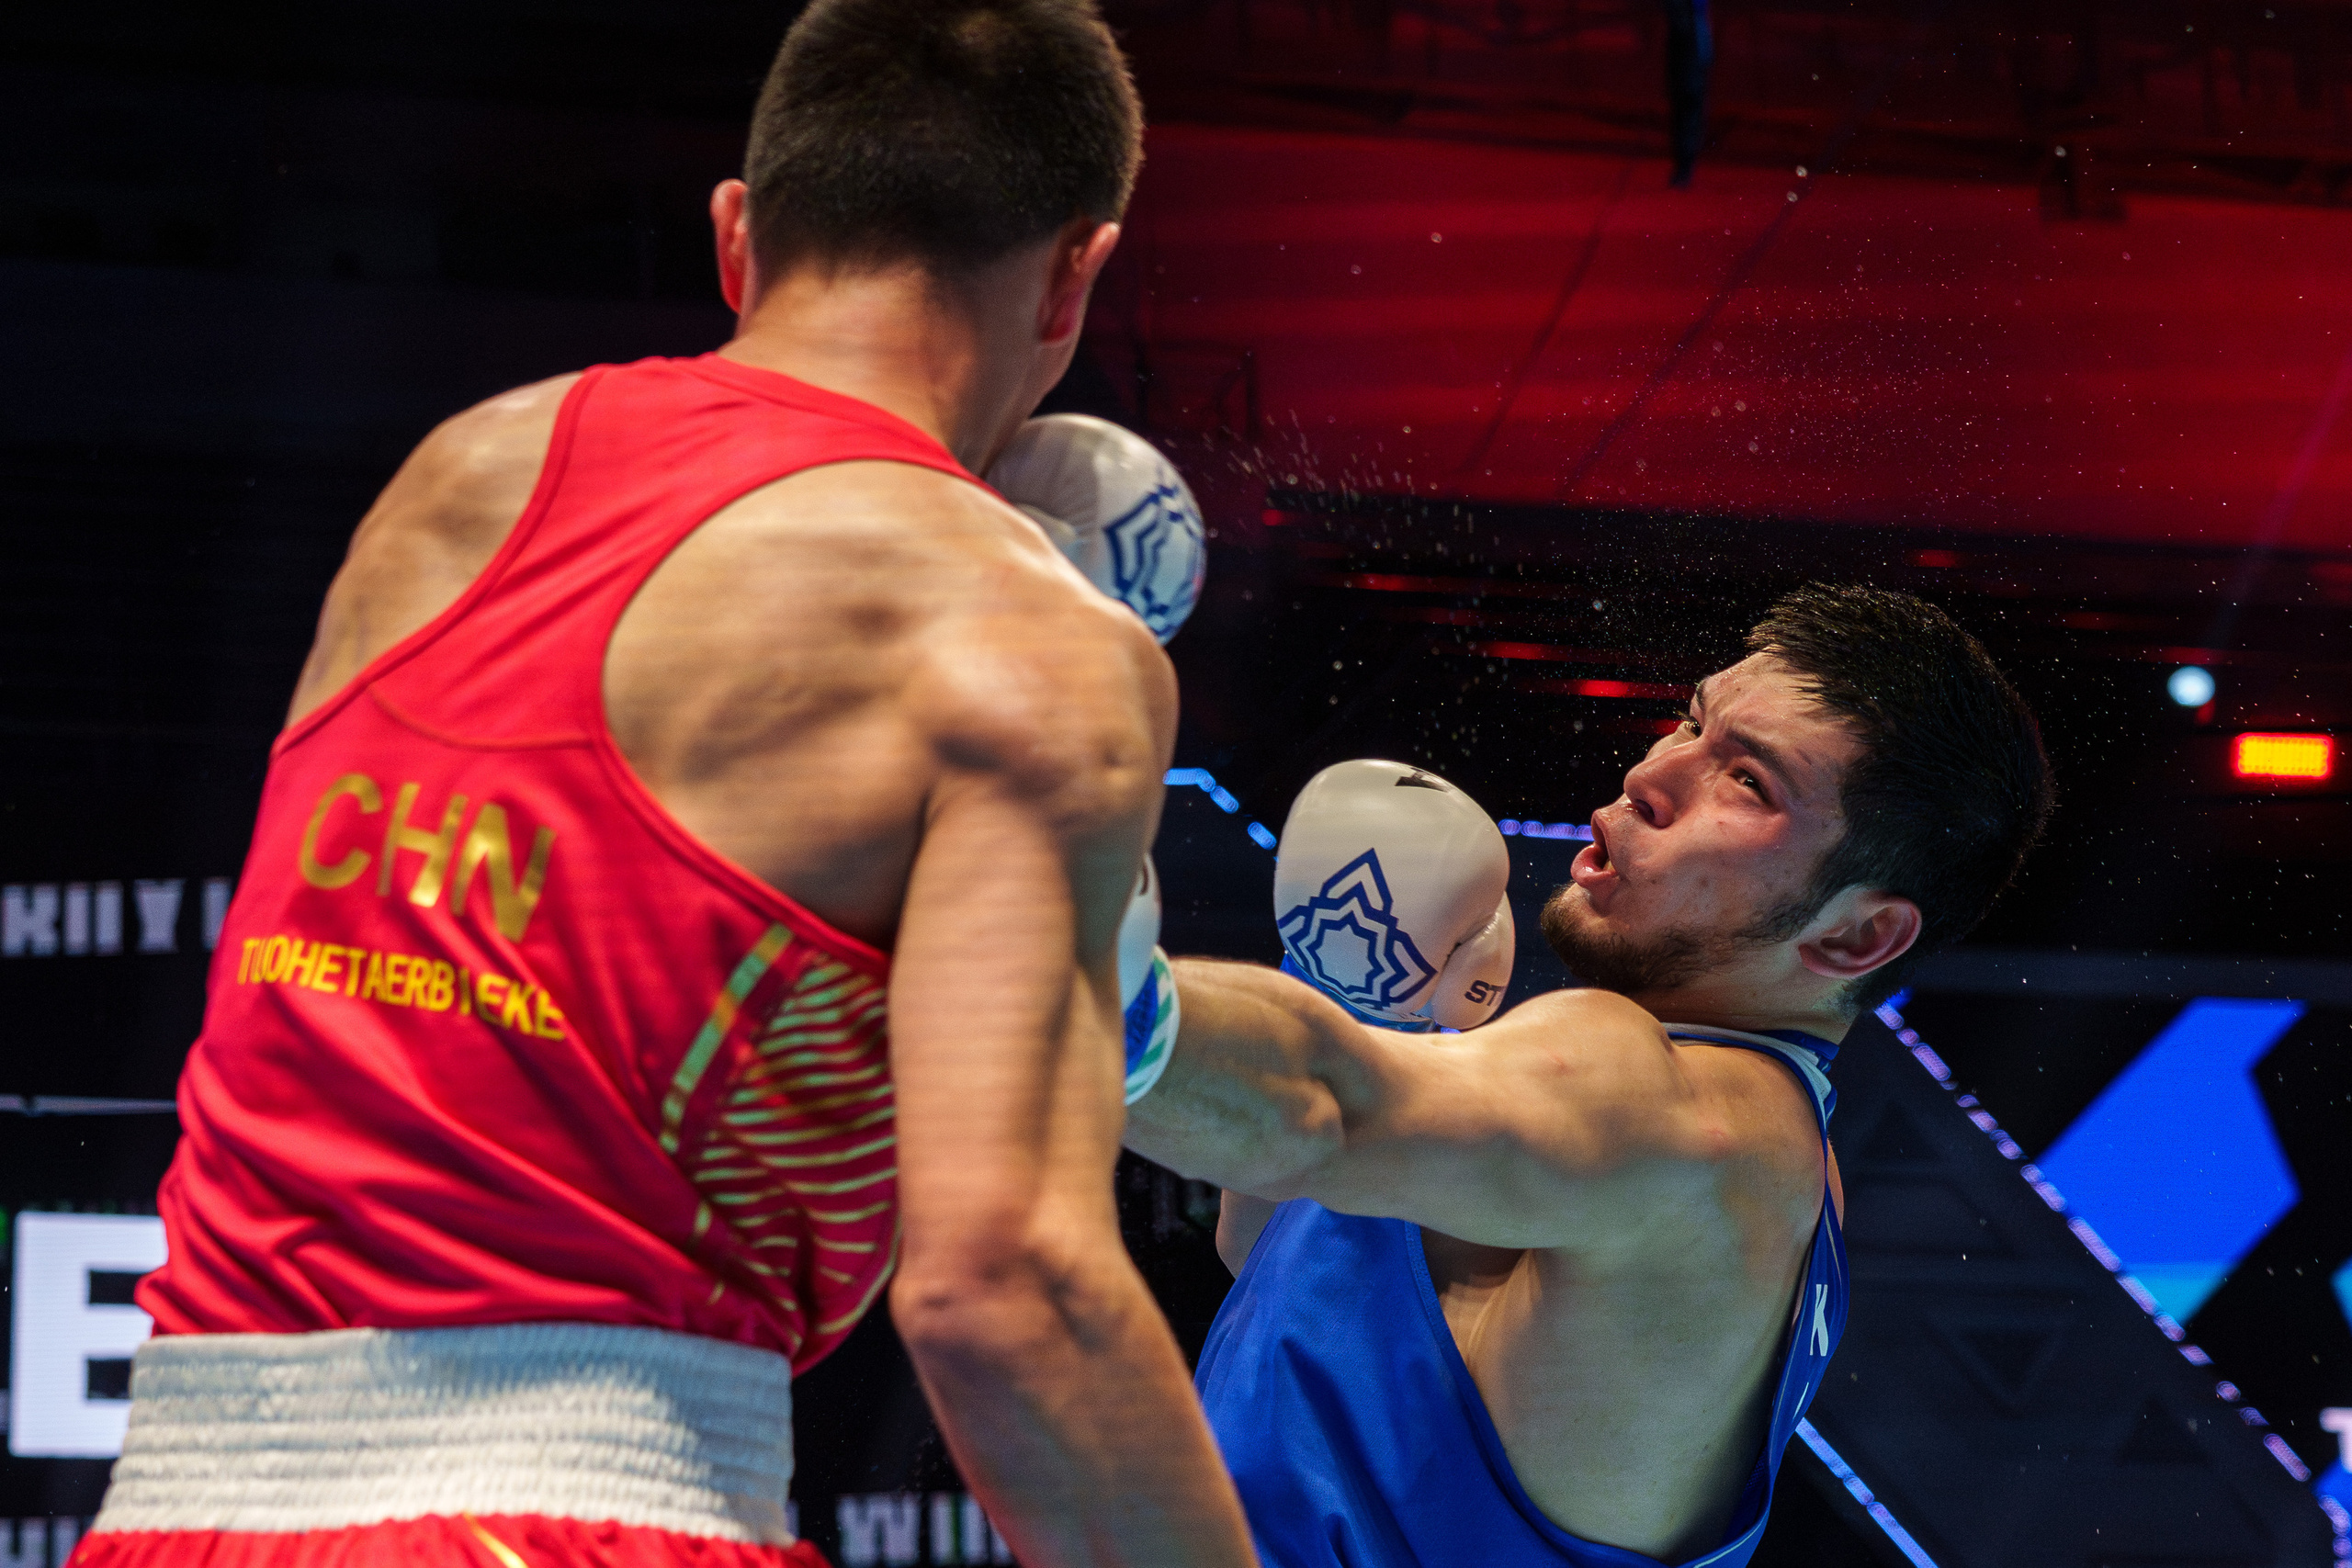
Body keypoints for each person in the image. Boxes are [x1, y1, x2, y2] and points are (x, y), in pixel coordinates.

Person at [78, 5, 1255, 1567]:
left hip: (172, 1514)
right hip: (585, 1519)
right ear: (1074, 275)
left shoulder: (455, 476)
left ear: (734, 235)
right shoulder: (1023, 642)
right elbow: (1004, 1290)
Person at [1125, 586, 2054, 1567]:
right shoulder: (1746, 1159)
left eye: (1747, 781)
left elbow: (1310, 1114)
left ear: (1858, 932)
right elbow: (1283, 1272)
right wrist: (1354, 998)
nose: (1651, 773)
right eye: (1692, 723)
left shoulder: (1689, 1123)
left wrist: (1028, 952)